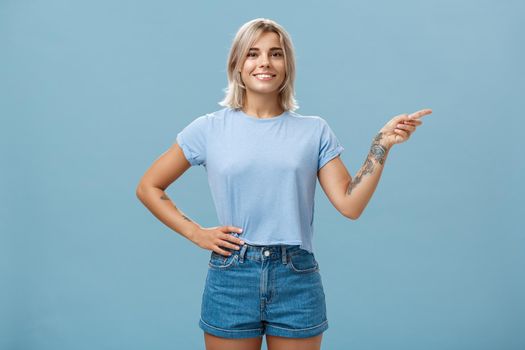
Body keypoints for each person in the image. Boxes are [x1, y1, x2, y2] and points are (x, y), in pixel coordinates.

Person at [136, 17, 432, 350]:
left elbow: (350, 205)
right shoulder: (208, 129)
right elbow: (149, 186)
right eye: (253, 54)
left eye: (275, 54)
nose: (264, 62)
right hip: (233, 274)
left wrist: (381, 144)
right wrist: (196, 232)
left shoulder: (314, 130)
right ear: (237, 64)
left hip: (296, 276)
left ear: (287, 65)